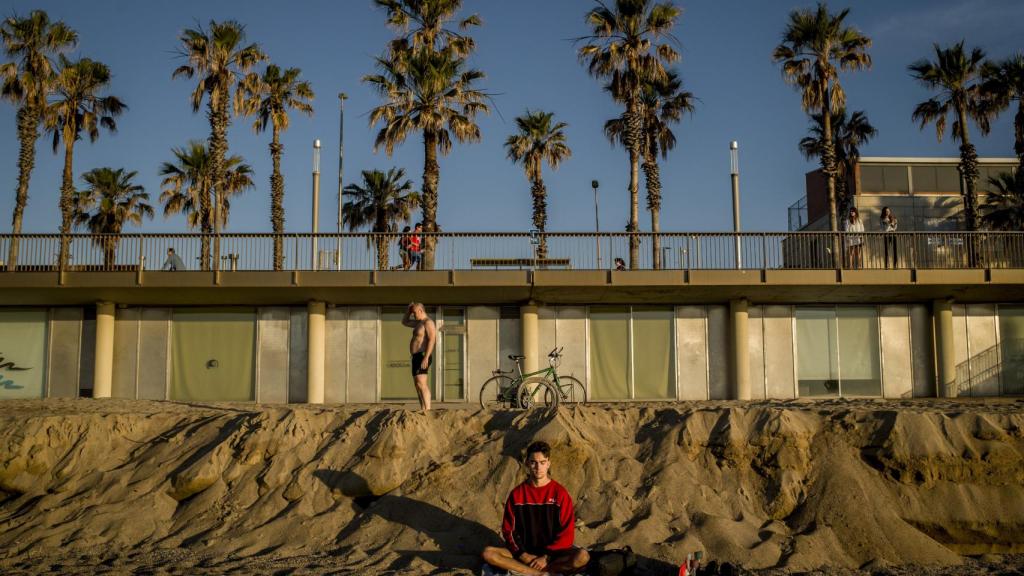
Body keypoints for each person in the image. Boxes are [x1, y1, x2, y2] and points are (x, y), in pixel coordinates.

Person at [481, 441, 590, 576]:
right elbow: (509, 531)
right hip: (526, 552)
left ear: (548, 463)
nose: (538, 467)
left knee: (582, 556)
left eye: (542, 462)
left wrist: (546, 557)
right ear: (527, 463)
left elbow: (567, 534)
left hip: (553, 555)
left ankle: (543, 570)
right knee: (488, 553)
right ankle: (537, 574)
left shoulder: (560, 494)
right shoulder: (517, 494)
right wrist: (524, 555)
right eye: (533, 462)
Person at [402, 302, 435, 411]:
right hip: (416, 357)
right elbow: (404, 322)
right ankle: (423, 409)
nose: (413, 315)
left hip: (422, 356)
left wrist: (426, 357)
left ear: (421, 310)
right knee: (417, 385)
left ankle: (428, 410)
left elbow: (432, 340)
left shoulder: (428, 323)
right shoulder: (418, 323)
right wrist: (408, 310)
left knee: (422, 384)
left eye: (414, 313)